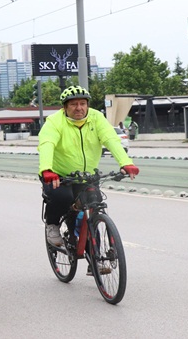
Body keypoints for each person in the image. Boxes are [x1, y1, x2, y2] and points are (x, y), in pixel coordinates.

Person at [38, 85, 140, 248]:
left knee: (93, 205)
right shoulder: (54, 121)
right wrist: (47, 169)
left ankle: (95, 260)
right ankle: (52, 225)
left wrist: (126, 162)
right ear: (65, 107)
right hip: (59, 175)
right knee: (62, 198)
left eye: (83, 103)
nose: (79, 108)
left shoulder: (96, 118)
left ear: (87, 105)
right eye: (73, 104)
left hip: (87, 176)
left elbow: (110, 139)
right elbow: (47, 144)